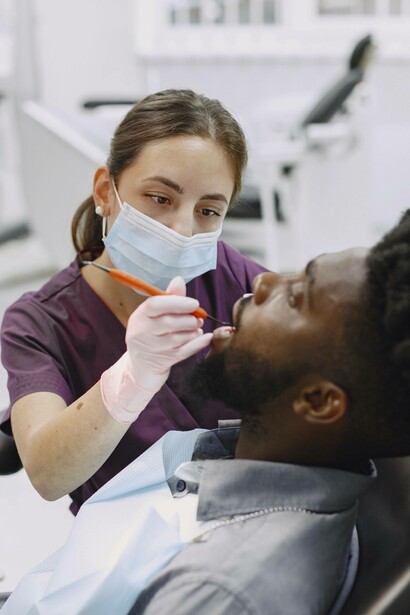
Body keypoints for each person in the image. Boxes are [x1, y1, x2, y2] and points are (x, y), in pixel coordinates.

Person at [3, 210, 410, 615]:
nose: (263, 280)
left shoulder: (217, 592)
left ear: (319, 402)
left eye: (295, 297)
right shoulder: (236, 451)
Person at [0, 89, 266, 514]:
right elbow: (48, 476)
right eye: (160, 198)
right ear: (106, 191)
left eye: (208, 210)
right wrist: (132, 379)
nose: (182, 228)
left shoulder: (237, 281)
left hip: (251, 524)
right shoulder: (38, 324)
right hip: (125, 551)